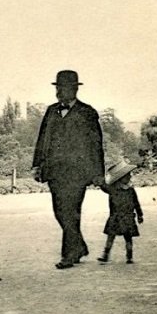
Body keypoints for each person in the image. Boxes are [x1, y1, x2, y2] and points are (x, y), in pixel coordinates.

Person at [32, 70, 105, 270]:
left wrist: (98, 172)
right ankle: (79, 246)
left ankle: (69, 254)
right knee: (59, 211)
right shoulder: (51, 111)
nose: (58, 91)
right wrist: (37, 165)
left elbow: (96, 144)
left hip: (78, 172)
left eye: (62, 88)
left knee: (70, 211)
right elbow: (42, 139)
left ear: (73, 89)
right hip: (54, 171)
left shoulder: (87, 112)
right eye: (57, 87)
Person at [97, 161, 143, 264]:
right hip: (118, 217)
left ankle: (129, 256)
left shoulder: (127, 190)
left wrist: (140, 215)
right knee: (112, 237)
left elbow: (136, 203)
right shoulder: (114, 189)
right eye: (127, 176)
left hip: (123, 217)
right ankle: (106, 255)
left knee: (126, 238)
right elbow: (103, 186)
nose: (129, 177)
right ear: (120, 178)